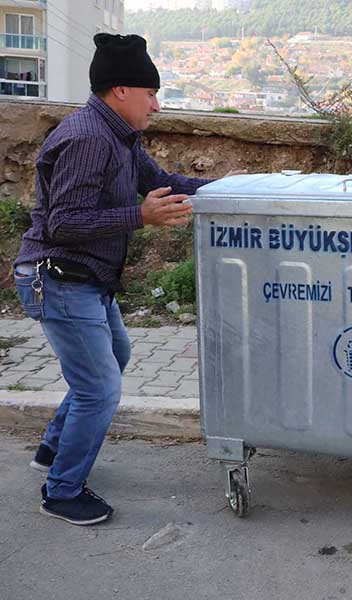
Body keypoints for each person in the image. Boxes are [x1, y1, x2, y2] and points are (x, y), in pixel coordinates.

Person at [13, 33, 234, 526]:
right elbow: (63, 224)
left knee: (115, 357)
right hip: (59, 277)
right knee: (100, 389)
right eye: (150, 94)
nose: (156, 105)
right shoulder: (88, 138)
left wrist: (236, 189)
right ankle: (62, 492)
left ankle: (52, 449)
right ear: (120, 91)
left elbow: (167, 185)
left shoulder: (119, 136)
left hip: (83, 278)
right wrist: (140, 217)